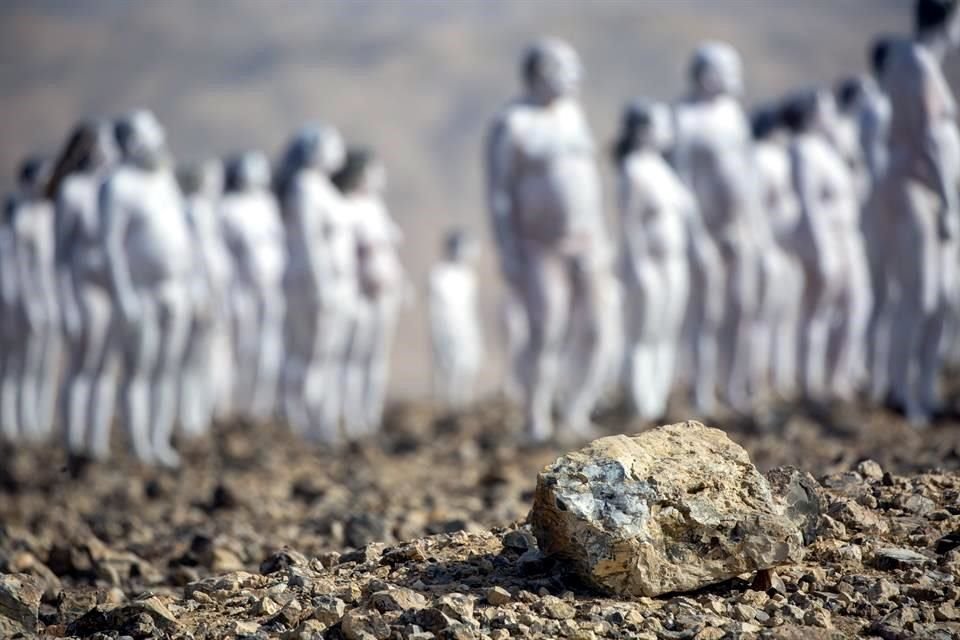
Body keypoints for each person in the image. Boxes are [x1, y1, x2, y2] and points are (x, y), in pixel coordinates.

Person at [485, 38, 611, 442]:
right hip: (540, 245)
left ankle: (576, 411)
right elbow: (500, 194)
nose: (575, 76)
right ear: (540, 71)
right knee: (547, 329)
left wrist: (602, 235)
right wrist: (507, 250)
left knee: (596, 328)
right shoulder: (513, 123)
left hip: (587, 240)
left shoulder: (574, 114)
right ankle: (535, 416)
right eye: (564, 67)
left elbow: (589, 179)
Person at [876, 0, 960, 424]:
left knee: (940, 298)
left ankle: (923, 390)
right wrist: (948, 201)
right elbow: (927, 137)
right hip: (918, 191)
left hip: (926, 191)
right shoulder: (916, 64)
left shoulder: (918, 61)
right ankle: (900, 390)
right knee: (920, 295)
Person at [101, 110, 193, 466]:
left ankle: (159, 440)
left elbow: (184, 234)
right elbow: (110, 245)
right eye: (151, 131)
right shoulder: (118, 185)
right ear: (133, 141)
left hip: (174, 288)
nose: (160, 136)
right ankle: (137, 444)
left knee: (166, 369)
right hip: (141, 291)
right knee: (139, 369)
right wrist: (122, 294)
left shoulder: (163, 179)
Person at [673, 42, 759, 413]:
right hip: (705, 229)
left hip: (738, 228)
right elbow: (683, 181)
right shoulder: (684, 118)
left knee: (742, 307)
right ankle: (702, 391)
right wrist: (696, 237)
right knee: (707, 314)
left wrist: (754, 227)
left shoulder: (734, 115)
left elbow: (748, 172)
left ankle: (736, 386)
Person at [784, 90, 870, 402]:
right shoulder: (802, 149)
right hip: (823, 239)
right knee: (817, 312)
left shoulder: (827, 148)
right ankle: (811, 385)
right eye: (825, 108)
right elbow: (808, 203)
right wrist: (823, 250)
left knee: (857, 305)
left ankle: (839, 378)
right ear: (811, 114)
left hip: (847, 236)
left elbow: (856, 186)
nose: (831, 113)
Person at [613, 101, 693, 420]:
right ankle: (641, 401)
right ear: (643, 131)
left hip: (674, 261)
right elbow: (629, 223)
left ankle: (658, 400)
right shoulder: (632, 169)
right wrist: (639, 265)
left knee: (666, 332)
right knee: (644, 334)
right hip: (648, 264)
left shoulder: (665, 169)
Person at [47, 121, 120, 459]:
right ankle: (72, 441)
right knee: (81, 367)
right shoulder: (73, 190)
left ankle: (97, 442)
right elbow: (60, 254)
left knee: (105, 369)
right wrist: (65, 303)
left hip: (109, 292)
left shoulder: (112, 188)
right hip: (83, 290)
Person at [276, 125, 349, 441]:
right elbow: (309, 242)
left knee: (328, 356)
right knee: (310, 355)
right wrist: (321, 286)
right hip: (311, 284)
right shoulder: (305, 187)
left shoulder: (323, 188)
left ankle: (322, 422)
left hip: (335, 284)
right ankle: (301, 422)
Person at [337, 147, 405, 438]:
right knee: (356, 356)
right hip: (359, 293)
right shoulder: (347, 207)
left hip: (384, 292)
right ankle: (351, 416)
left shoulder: (376, 207)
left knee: (377, 358)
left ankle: (370, 414)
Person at [220, 151, 286, 422]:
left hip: (269, 288)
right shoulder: (228, 207)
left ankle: (260, 408)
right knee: (241, 348)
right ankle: (234, 407)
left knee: (268, 350)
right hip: (240, 288)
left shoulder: (267, 205)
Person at [751, 105, 805, 399]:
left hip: (787, 250)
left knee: (785, 319)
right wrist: (765, 249)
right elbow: (757, 210)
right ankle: (758, 381)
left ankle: (780, 379)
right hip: (770, 250)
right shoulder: (759, 160)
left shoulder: (782, 159)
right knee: (764, 319)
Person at [177, 159, 233, 436]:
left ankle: (204, 413)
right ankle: (190, 418)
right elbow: (191, 257)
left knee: (210, 358)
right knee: (193, 361)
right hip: (198, 293)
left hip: (214, 294)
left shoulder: (209, 212)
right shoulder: (191, 211)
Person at [4, 156, 57, 443]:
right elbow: (17, 271)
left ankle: (40, 424)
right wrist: (23, 306)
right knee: (19, 367)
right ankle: (15, 426)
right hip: (25, 305)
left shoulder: (49, 214)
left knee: (45, 366)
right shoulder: (21, 219)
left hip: (51, 301)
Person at [428, 229, 483, 410]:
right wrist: (437, 330)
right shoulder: (439, 274)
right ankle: (446, 404)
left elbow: (470, 308)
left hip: (466, 326)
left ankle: (462, 403)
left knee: (468, 364)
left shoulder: (468, 276)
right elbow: (434, 307)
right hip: (445, 326)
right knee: (447, 367)